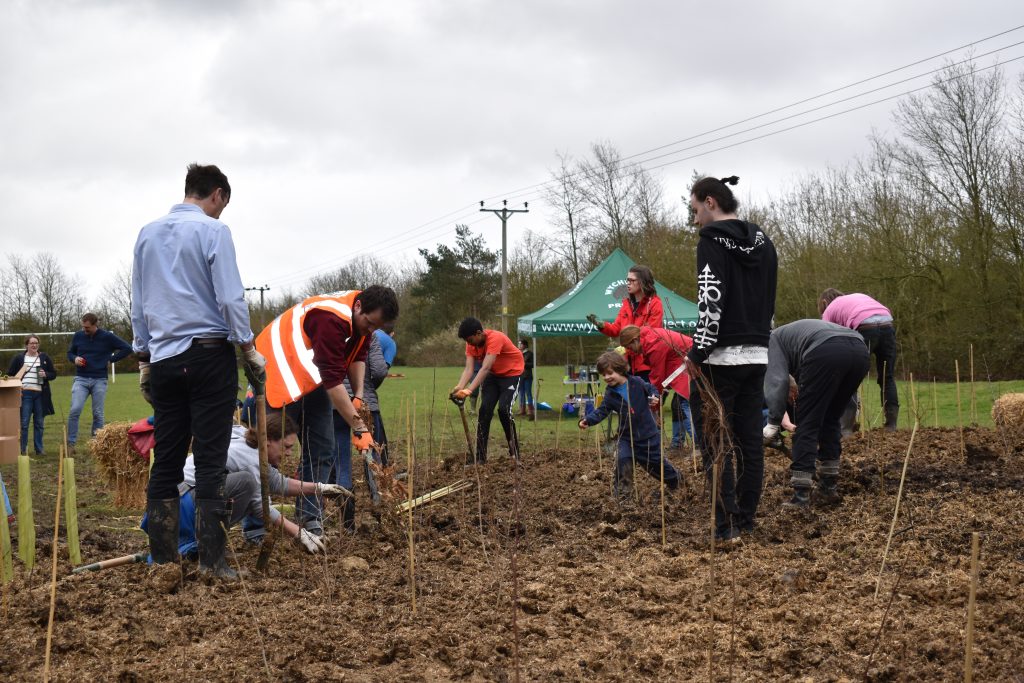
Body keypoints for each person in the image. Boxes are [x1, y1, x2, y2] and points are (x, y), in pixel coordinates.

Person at [132, 163, 266, 581]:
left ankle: (164, 563)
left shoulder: (147, 234)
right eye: (222, 204)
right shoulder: (214, 231)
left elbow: (138, 302)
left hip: (165, 360)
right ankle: (212, 563)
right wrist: (248, 348)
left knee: (167, 462)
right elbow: (229, 297)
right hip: (209, 357)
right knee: (209, 462)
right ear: (218, 195)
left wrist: (143, 358)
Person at [255, 286, 399, 537]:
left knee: (323, 446)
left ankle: (310, 517)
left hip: (311, 376)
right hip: (279, 369)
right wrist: (359, 427)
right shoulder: (330, 319)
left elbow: (358, 356)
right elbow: (333, 380)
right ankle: (257, 525)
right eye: (369, 323)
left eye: (376, 327)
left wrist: (358, 397)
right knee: (270, 449)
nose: (370, 330)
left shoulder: (362, 322)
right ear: (358, 307)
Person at [685, 176, 777, 544]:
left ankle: (725, 528)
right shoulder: (765, 243)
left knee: (715, 444)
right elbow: (769, 302)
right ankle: (747, 520)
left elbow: (710, 299)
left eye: (694, 211)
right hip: (758, 353)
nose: (694, 221)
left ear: (710, 202)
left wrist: (697, 352)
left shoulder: (709, 244)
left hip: (719, 359)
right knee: (749, 442)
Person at [196, 412, 350, 552]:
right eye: (286, 447)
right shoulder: (251, 461)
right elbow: (261, 508)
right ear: (268, 440)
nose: (289, 454)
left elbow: (277, 482)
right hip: (190, 503)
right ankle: (203, 539)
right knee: (246, 484)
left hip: (191, 495)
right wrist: (300, 534)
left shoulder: (248, 440)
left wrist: (320, 488)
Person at [763, 320, 870, 507]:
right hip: (860, 350)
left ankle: (801, 496)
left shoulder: (773, 339)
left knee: (807, 424)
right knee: (830, 419)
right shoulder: (795, 335)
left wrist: (773, 423)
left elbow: (777, 381)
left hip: (826, 351)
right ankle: (828, 488)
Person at [579, 351, 681, 499]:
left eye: (609, 373)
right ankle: (623, 496)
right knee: (623, 461)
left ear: (620, 369)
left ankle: (676, 480)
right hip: (626, 437)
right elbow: (602, 410)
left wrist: (654, 397)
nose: (606, 377)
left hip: (647, 436)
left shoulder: (637, 382)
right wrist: (588, 420)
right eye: (603, 374)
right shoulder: (610, 394)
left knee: (655, 465)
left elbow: (651, 389)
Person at [333, 322, 395, 530]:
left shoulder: (332, 332)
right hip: (364, 403)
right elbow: (378, 370)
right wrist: (368, 388)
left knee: (341, 462)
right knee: (371, 458)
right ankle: (379, 506)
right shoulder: (370, 335)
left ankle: (347, 523)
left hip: (335, 405)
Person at [819, 289, 899, 431]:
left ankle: (846, 429)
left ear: (824, 303)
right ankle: (891, 425)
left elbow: (826, 338)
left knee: (849, 376)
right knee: (888, 377)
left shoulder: (829, 310)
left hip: (864, 327)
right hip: (887, 323)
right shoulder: (857, 298)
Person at [451, 318, 524, 464]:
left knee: (504, 410)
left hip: (511, 374)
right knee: (484, 410)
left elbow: (485, 368)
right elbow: (469, 369)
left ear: (479, 333)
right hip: (494, 376)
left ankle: (515, 454)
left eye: (470, 339)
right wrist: (459, 387)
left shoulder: (495, 338)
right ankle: (480, 458)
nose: (469, 343)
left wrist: (469, 390)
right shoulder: (470, 343)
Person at [65, 313, 133, 453]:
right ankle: (70, 445)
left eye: (87, 327)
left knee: (98, 413)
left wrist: (111, 359)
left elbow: (127, 348)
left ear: (96, 324)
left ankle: (96, 444)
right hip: (81, 379)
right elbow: (70, 353)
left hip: (99, 380)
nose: (84, 330)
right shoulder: (78, 336)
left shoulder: (107, 337)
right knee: (75, 410)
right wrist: (74, 359)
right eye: (83, 327)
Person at [618, 325, 693, 449]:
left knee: (684, 403)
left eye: (629, 347)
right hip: (683, 364)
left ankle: (701, 446)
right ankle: (677, 444)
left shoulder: (654, 345)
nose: (630, 351)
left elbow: (657, 378)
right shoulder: (650, 339)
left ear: (635, 340)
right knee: (677, 405)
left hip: (691, 363)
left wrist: (655, 409)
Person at [587, 265, 663, 381]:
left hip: (646, 366)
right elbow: (616, 329)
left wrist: (625, 347)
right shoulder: (626, 304)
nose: (628, 283)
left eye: (632, 280)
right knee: (628, 398)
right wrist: (602, 325)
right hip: (627, 365)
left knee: (645, 398)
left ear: (643, 282)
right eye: (627, 280)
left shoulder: (655, 304)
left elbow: (650, 335)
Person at [8, 334, 58, 455]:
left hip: (40, 395)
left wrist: (45, 374)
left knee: (39, 423)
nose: (34, 345)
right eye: (32, 343)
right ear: (27, 345)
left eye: (36, 343)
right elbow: (10, 375)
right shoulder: (19, 358)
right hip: (25, 394)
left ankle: (39, 449)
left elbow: (53, 374)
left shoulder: (44, 357)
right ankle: (23, 449)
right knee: (24, 423)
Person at [518, 338, 535, 420]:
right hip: (520, 376)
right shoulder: (518, 353)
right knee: (521, 393)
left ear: (524, 345)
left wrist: (524, 363)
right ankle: (522, 409)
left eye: (520, 344)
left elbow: (532, 364)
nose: (519, 345)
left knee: (528, 393)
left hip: (527, 376)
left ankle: (530, 410)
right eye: (519, 344)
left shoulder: (530, 354)